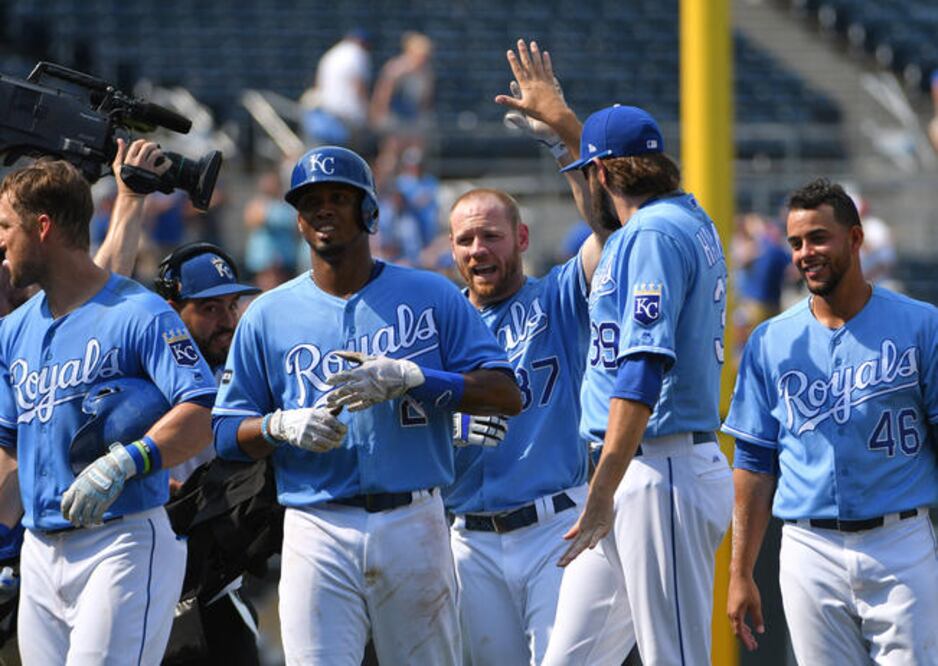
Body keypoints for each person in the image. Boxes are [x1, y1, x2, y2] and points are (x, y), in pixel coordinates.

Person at [211, 145, 521, 665]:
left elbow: (505, 392)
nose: (324, 210)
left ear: (369, 212)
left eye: (339, 197)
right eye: (311, 202)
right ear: (299, 219)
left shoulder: (432, 295)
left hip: (414, 517)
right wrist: (278, 425)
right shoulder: (267, 314)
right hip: (315, 522)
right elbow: (224, 434)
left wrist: (418, 379)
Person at [536, 102, 734, 665]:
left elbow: (643, 368)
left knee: (673, 657)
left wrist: (600, 491)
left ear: (601, 173)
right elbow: (607, 219)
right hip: (639, 467)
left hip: (657, 469)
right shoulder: (677, 218)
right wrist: (565, 133)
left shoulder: (652, 235)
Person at [0, 156, 217, 663]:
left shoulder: (140, 312)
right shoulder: (12, 332)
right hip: (40, 549)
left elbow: (201, 413)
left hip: (120, 541)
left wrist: (129, 461)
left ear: (43, 227)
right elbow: (9, 451)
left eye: (6, 225)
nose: (0, 239)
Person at [443, 40, 615, 666]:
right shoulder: (439, 321)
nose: (477, 248)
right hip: (469, 540)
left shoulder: (561, 294)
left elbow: (614, 235)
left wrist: (566, 145)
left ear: (519, 238)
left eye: (490, 234)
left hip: (553, 526)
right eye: (465, 239)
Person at [724, 178, 938, 665]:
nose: (805, 253)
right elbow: (755, 462)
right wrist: (740, 571)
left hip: (900, 541)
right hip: (807, 546)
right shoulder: (771, 341)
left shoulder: (922, 325)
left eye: (819, 237)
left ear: (856, 239)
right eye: (796, 242)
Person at [301, 29, 372, 148]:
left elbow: (318, 85)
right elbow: (358, 85)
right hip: (347, 114)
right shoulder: (357, 54)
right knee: (349, 154)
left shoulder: (331, 54)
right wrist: (367, 112)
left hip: (326, 110)